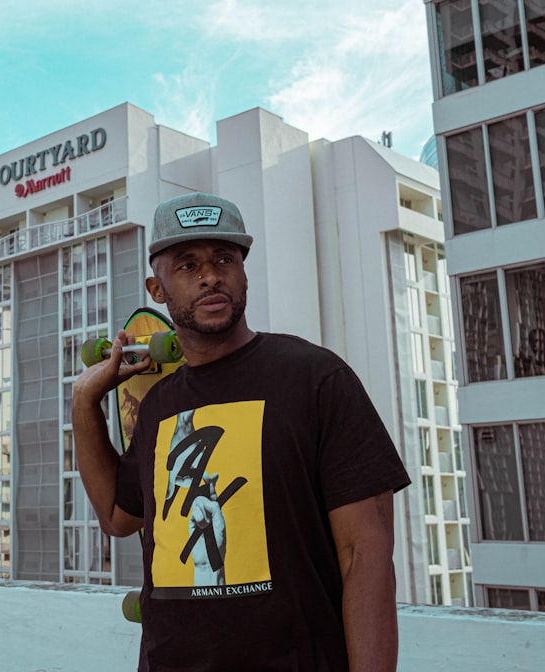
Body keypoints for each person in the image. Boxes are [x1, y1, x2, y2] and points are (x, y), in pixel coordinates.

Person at [73, 192, 411, 671]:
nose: (210, 275)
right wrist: (84, 403)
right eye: (187, 265)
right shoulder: (157, 407)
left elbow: (366, 557)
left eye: (224, 259)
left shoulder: (315, 379)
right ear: (157, 288)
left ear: (244, 273)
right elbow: (117, 517)